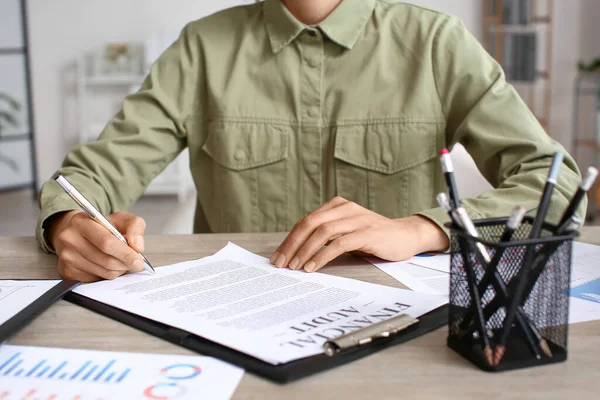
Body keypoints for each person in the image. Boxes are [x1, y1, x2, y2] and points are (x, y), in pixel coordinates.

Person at [37, 0, 584, 282]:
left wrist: (422, 229)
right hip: (230, 319)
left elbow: (555, 185)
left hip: (403, 328)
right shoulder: (202, 48)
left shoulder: (437, 43)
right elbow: (87, 178)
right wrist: (69, 223)